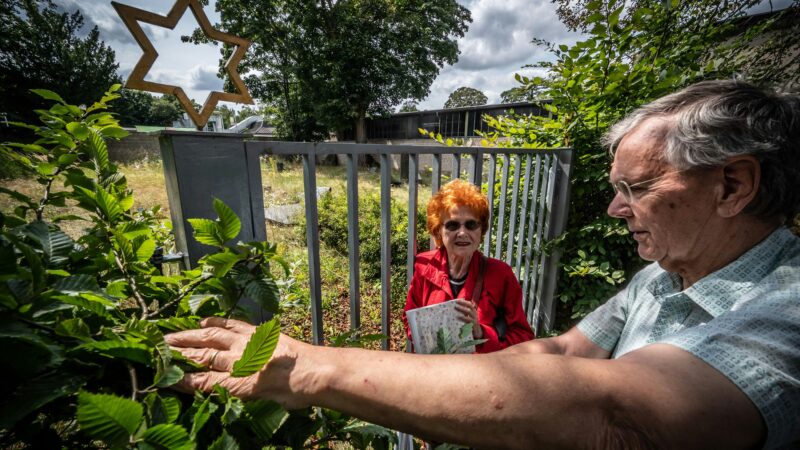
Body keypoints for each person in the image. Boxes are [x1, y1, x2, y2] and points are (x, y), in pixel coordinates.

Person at [165, 80, 800, 449]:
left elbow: (612, 409)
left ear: (731, 187)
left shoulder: (788, 310)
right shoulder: (660, 277)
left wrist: (315, 367)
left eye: (635, 188)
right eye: (452, 226)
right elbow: (554, 357)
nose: (614, 208)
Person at [403, 179, 535, 353]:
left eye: (471, 224)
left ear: (481, 231)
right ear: (438, 231)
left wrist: (481, 333)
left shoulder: (501, 274)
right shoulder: (424, 266)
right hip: (434, 371)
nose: (463, 232)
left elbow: (523, 337)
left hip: (478, 374)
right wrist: (426, 337)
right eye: (452, 225)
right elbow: (409, 319)